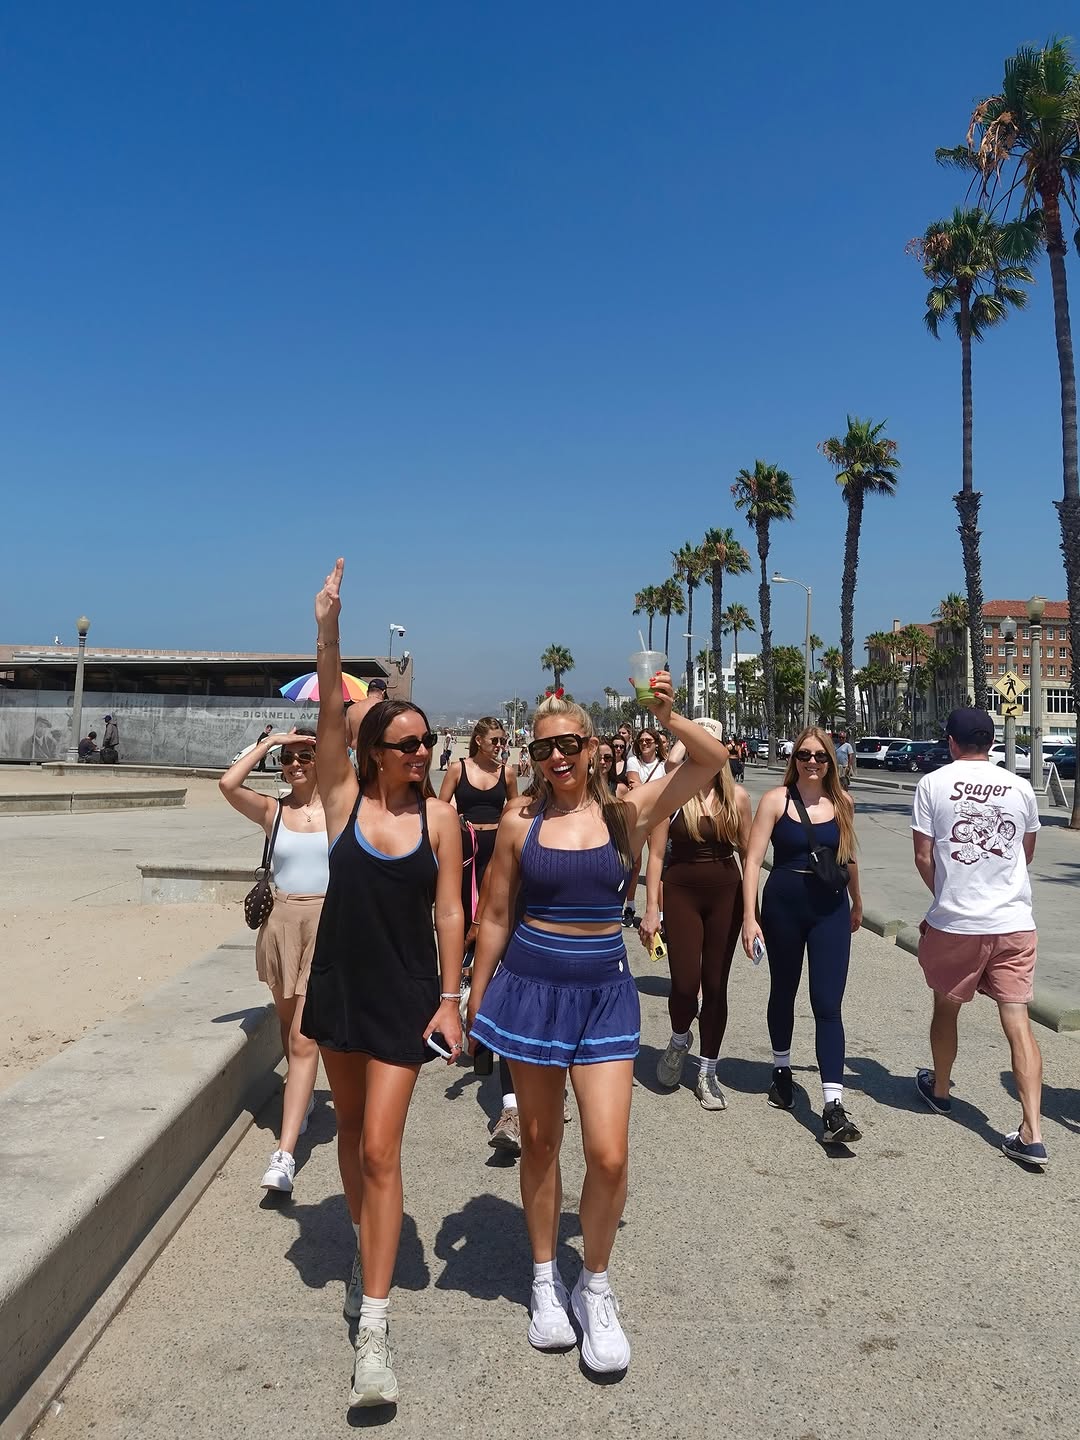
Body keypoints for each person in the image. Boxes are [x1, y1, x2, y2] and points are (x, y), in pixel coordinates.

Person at [466, 675, 728, 1375]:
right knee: (540, 1142)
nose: (557, 757)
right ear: (533, 755)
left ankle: (595, 1285)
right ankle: (544, 1279)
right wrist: (472, 999)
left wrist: (667, 715)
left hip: (605, 994)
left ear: (590, 748)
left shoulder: (626, 814)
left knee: (609, 1155)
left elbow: (710, 761)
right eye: (544, 747)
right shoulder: (519, 823)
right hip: (532, 991)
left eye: (568, 744)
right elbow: (496, 915)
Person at [302, 559, 464, 1408]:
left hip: (404, 997)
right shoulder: (342, 799)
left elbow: (451, 914)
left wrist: (451, 999)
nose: (422, 753)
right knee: (349, 1144)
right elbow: (330, 712)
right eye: (408, 744)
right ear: (374, 754)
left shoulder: (440, 817)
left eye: (426, 742)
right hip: (339, 988)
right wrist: (328, 631)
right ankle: (370, 1245)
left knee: (377, 1148)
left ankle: (374, 1326)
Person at [910, 707, 1047, 1168]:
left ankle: (941, 1090)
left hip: (957, 923)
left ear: (951, 742)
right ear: (990, 742)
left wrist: (949, 895)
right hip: (1013, 922)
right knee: (1018, 1020)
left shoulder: (933, 784)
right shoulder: (1020, 786)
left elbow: (924, 856)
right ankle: (1032, 1131)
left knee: (946, 1007)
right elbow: (1024, 852)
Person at [741, 727, 864, 1146]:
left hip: (830, 911)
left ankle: (833, 1106)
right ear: (793, 759)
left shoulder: (843, 802)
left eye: (820, 756)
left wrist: (858, 901)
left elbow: (848, 857)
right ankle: (781, 1070)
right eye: (804, 755)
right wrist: (749, 917)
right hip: (783, 909)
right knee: (784, 989)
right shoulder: (776, 800)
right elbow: (753, 860)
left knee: (828, 1004)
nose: (812, 762)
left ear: (831, 761)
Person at [218, 725, 327, 1193]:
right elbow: (228, 784)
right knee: (287, 1023)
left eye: (305, 755)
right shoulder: (273, 811)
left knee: (303, 1036)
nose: (295, 764)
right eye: (289, 758)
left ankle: (284, 1155)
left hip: (325, 924)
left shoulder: (342, 808)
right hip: (280, 923)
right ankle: (302, 1101)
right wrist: (268, 744)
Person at [641, 718, 752, 1109]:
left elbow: (750, 856)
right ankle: (678, 1039)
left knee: (716, 986)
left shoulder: (736, 797)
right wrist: (651, 909)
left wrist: (751, 914)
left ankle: (707, 1070)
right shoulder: (672, 793)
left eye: (710, 747)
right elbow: (656, 855)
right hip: (681, 893)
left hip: (726, 895)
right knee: (686, 985)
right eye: (696, 746)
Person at [440, 718, 520, 1151]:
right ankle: (465, 1004)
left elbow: (514, 809)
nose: (500, 746)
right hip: (467, 852)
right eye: (495, 740)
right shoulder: (458, 768)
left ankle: (482, 1014)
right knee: (467, 931)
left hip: (498, 851)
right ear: (477, 741)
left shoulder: (506, 773)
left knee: (493, 929)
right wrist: (455, 829)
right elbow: (440, 807)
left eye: (503, 741)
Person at [622, 729, 667, 925]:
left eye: (648, 740)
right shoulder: (633, 761)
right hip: (639, 817)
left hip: (659, 818)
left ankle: (661, 914)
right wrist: (658, 791)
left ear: (657, 743)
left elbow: (640, 788)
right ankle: (630, 906)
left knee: (658, 865)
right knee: (634, 865)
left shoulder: (665, 764)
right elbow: (633, 783)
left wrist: (643, 790)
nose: (644, 743)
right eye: (641, 741)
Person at [344, 677, 389, 756]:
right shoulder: (386, 708)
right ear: (383, 692)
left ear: (367, 692)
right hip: (377, 755)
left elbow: (348, 739)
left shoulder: (351, 709)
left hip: (357, 754)